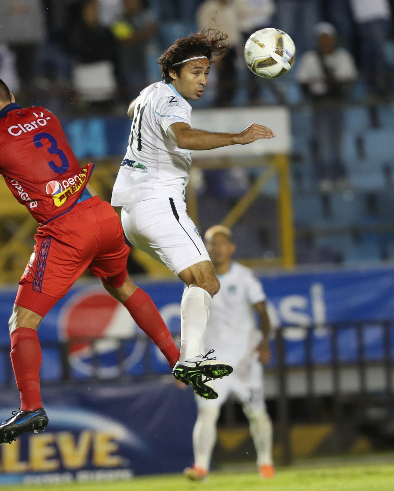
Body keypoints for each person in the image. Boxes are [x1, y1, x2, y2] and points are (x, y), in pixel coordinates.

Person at [0, 76, 185, 444]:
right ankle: (178, 359)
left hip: (65, 229)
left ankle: (31, 405)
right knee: (123, 286)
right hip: (100, 211)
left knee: (22, 322)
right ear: (12, 96)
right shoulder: (45, 114)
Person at [111, 30, 275, 396]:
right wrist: (237, 137)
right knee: (207, 282)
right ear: (173, 73)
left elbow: (131, 109)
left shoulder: (150, 93)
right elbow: (182, 138)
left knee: (200, 281)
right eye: (196, 72)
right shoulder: (173, 102)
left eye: (206, 73)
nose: (202, 81)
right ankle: (189, 359)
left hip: (130, 215)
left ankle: (190, 358)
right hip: (158, 203)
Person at [184, 225, 274, 482]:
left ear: (231, 247)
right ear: (206, 247)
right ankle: (201, 467)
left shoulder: (245, 277)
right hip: (210, 359)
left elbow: (262, 311)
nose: (217, 248)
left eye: (222, 243)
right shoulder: (197, 279)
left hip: (245, 358)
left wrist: (264, 342)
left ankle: (265, 463)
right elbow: (191, 319)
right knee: (207, 412)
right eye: (212, 243)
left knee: (256, 412)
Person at [294, 22, 357, 190]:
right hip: (319, 106)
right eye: (322, 38)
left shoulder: (343, 56)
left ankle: (340, 176)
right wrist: (314, 95)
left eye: (328, 38)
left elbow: (350, 80)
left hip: (337, 104)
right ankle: (323, 177)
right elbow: (302, 82)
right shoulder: (310, 58)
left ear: (334, 39)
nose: (326, 41)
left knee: (338, 143)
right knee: (321, 143)